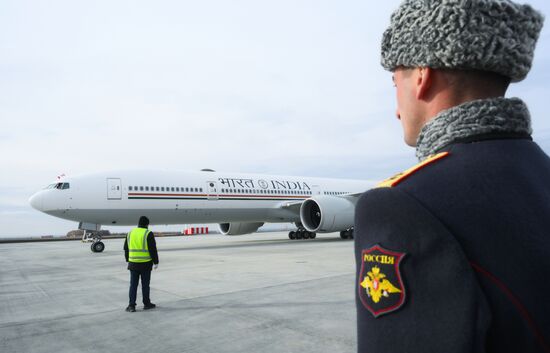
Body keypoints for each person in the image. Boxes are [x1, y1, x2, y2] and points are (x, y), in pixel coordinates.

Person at [354, 0, 549, 352]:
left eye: (394, 82)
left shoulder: (403, 205)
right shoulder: (539, 174)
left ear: (421, 77)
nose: (396, 109)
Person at [124, 216, 159, 312]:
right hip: (146, 264)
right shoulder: (148, 233)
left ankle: (131, 306)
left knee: (133, 285)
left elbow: (126, 248)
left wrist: (128, 259)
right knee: (145, 285)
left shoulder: (130, 233)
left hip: (133, 264)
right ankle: (147, 303)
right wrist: (156, 262)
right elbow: (153, 249)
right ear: (147, 224)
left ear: (138, 223)